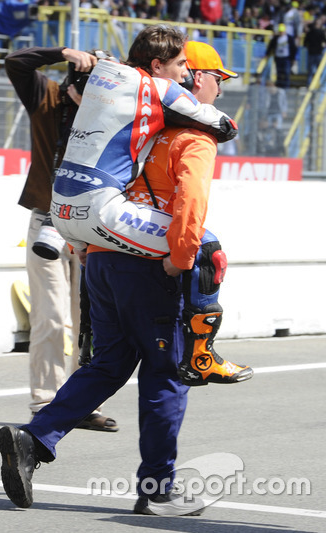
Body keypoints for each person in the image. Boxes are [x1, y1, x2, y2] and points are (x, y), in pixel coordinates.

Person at [0, 38, 237, 518]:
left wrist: (86, 246)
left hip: (100, 253)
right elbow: (190, 203)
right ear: (191, 76)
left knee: (108, 364)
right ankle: (158, 487)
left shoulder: (133, 117)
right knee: (167, 373)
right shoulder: (191, 134)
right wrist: (181, 258)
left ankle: (33, 439)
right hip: (149, 264)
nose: (212, 87)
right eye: (214, 78)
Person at [49, 26, 252, 386]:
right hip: (103, 208)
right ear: (159, 65)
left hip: (63, 208)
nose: (185, 74)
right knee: (206, 249)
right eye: (181, 66)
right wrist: (180, 257)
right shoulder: (160, 89)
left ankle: (89, 345)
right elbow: (224, 125)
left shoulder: (103, 82)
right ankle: (201, 355)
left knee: (96, 258)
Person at [4, 45, 117, 431]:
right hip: (46, 222)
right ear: (72, 84)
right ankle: (45, 404)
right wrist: (63, 52)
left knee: (89, 322)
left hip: (90, 227)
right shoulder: (48, 99)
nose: (94, 100)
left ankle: (80, 403)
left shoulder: (110, 112)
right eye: (88, 88)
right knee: (51, 318)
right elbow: (15, 63)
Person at [267, 23, 296, 88]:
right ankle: (279, 87)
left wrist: (293, 58)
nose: (281, 32)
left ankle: (286, 87)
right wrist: (267, 54)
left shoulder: (289, 38)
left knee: (286, 73)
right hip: (278, 58)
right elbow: (271, 46)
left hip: (286, 58)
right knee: (279, 73)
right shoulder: (276, 38)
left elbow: (293, 49)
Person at [303, 15, 326, 83]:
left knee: (311, 71)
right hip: (317, 52)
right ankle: (319, 84)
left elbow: (305, 42)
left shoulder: (310, 32)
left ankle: (310, 84)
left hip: (312, 52)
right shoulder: (320, 32)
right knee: (319, 70)